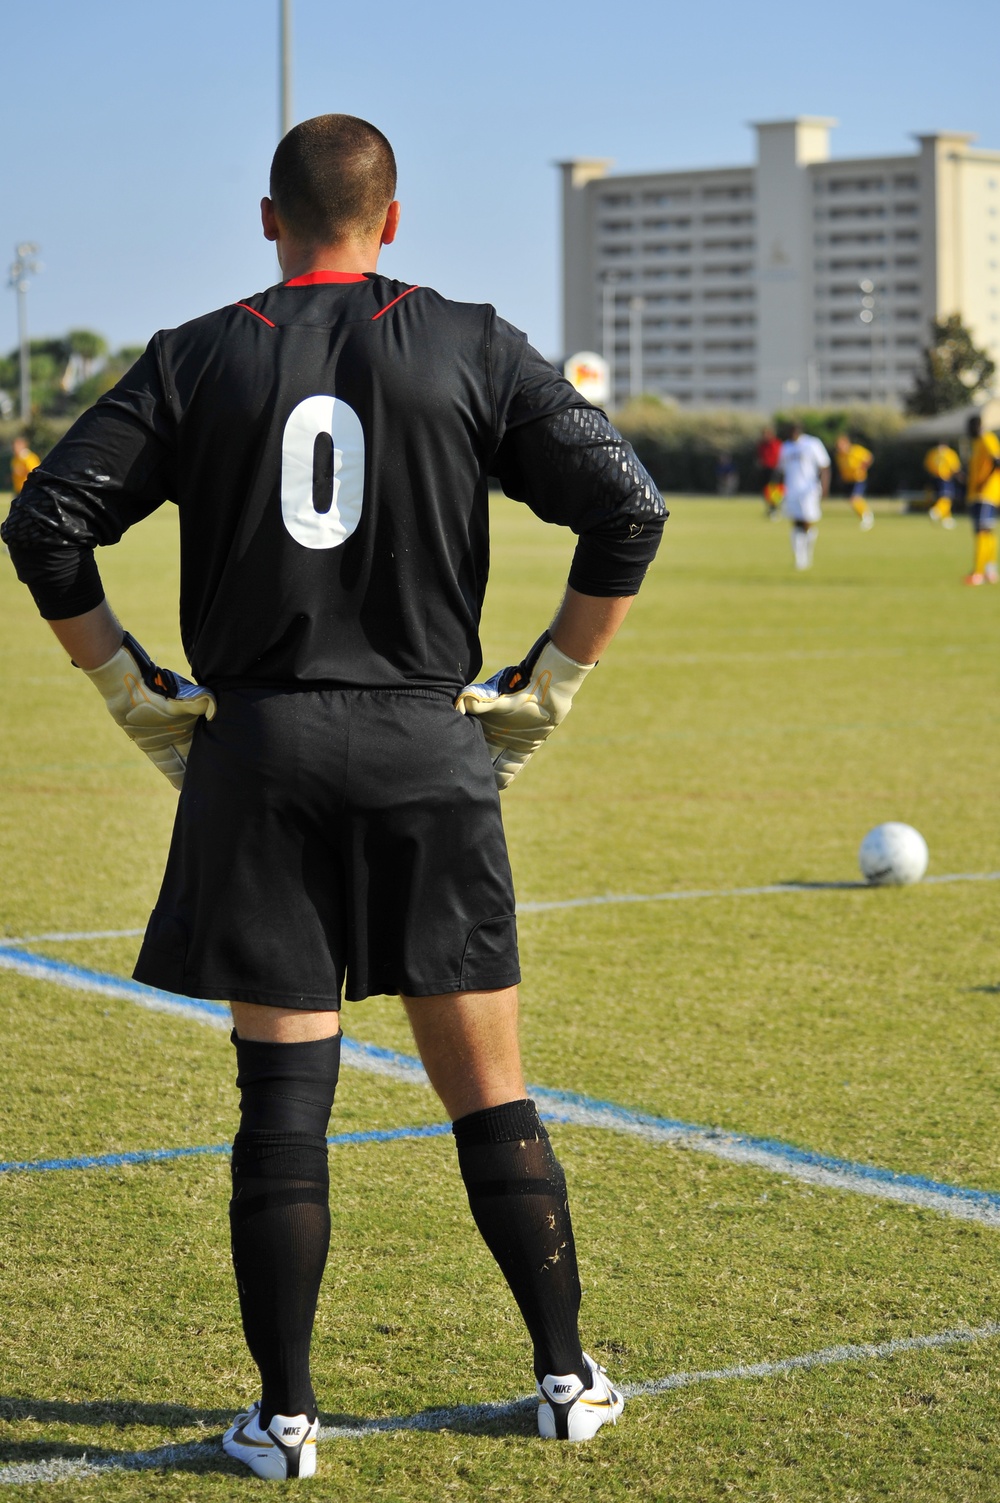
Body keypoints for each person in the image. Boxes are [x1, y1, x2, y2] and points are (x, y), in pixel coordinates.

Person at [1, 114, 665, 1479]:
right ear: (395, 219)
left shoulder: (198, 352)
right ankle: (565, 1375)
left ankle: (287, 1418)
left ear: (267, 221)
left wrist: (128, 683)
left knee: (283, 1102)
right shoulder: (470, 339)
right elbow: (628, 507)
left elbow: (44, 520)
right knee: (491, 1092)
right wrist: (548, 681)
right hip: (432, 749)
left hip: (263, 754)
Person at [777, 422, 830, 570]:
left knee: (808, 522)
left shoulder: (812, 444)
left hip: (809, 490)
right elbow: (781, 470)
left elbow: (824, 466)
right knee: (796, 523)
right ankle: (799, 558)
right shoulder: (785, 447)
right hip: (792, 490)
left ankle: (807, 554)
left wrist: (824, 487)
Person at [962, 414, 999, 585]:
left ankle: (978, 573)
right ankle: (991, 571)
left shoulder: (986, 438)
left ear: (976, 426)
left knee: (981, 531)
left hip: (986, 493)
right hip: (978, 494)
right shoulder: (976, 443)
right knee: (987, 531)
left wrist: (985, 481)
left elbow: (997, 461)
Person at [833, 434, 874, 530]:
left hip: (858, 479)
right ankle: (865, 514)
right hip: (848, 480)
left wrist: (863, 467)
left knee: (854, 499)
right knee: (853, 501)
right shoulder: (839, 456)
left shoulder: (856, 450)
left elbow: (869, 457)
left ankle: (867, 516)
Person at [924, 441, 961, 528]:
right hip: (945, 477)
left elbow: (927, 465)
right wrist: (960, 476)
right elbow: (954, 467)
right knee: (946, 497)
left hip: (935, 478)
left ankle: (946, 519)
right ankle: (936, 511)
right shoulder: (949, 454)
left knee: (945, 498)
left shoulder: (933, 452)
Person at [756, 426, 783, 518]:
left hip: (774, 469)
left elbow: (779, 456)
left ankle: (775, 507)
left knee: (774, 490)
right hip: (765, 469)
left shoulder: (776, 443)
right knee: (766, 490)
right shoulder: (762, 445)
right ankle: (770, 508)